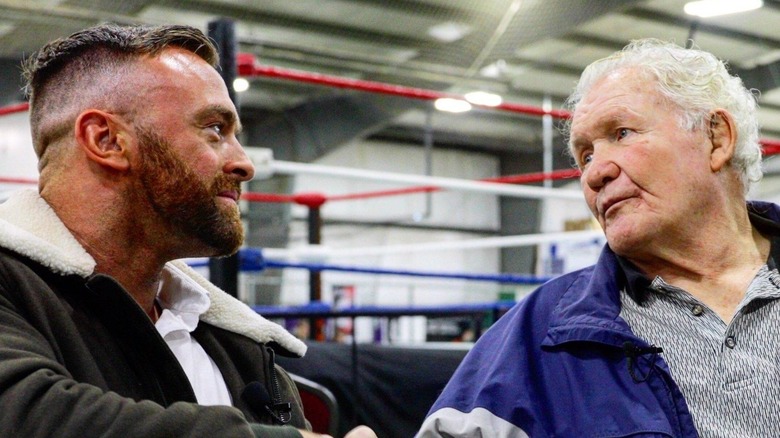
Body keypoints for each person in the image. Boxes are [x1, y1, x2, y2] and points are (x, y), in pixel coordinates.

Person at [0, 23, 375, 438]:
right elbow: (27, 417)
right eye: (215, 129)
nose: (244, 163)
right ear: (106, 139)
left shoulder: (239, 347)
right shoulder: (11, 288)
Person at [418, 38, 780, 437]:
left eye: (622, 133)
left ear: (716, 138)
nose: (594, 173)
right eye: (585, 155)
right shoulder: (538, 336)